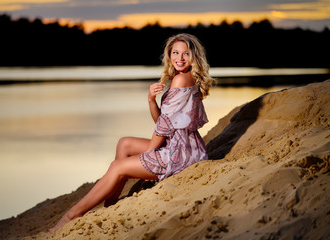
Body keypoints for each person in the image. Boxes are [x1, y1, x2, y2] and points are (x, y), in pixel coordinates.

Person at [49, 33, 214, 233]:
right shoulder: (183, 77)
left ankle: (71, 215)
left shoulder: (181, 80)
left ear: (194, 56)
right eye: (175, 53)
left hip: (180, 155)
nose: (180, 58)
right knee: (124, 144)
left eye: (185, 53)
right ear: (169, 55)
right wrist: (151, 100)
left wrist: (150, 153)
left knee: (117, 167)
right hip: (184, 145)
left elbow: (162, 128)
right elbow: (164, 123)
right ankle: (111, 205)